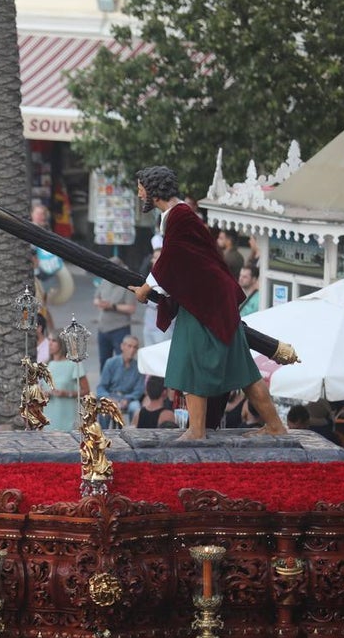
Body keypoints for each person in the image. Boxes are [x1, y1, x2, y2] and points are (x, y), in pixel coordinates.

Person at [129, 165, 287, 441]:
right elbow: (185, 262)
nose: (139, 192)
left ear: (153, 191)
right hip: (211, 302)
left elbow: (173, 258)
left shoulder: (179, 216)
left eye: (141, 187)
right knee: (243, 370)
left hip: (206, 305)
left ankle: (198, 431)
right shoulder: (179, 215)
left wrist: (145, 288)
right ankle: (268, 425)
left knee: (190, 362)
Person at [93, 260, 136, 368]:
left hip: (119, 328)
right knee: (104, 361)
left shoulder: (127, 284)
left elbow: (131, 308)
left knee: (123, 360)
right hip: (103, 328)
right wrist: (100, 303)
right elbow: (95, 298)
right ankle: (105, 383)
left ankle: (121, 384)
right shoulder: (105, 281)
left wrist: (112, 307)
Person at [95, 335, 146, 424]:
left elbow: (139, 390)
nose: (132, 350)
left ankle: (133, 433)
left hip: (129, 399)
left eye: (135, 347)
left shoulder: (138, 367)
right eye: (129, 346)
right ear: (122, 346)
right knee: (103, 409)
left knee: (136, 408)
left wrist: (127, 399)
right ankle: (103, 434)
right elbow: (101, 387)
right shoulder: (110, 363)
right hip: (111, 397)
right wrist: (109, 398)